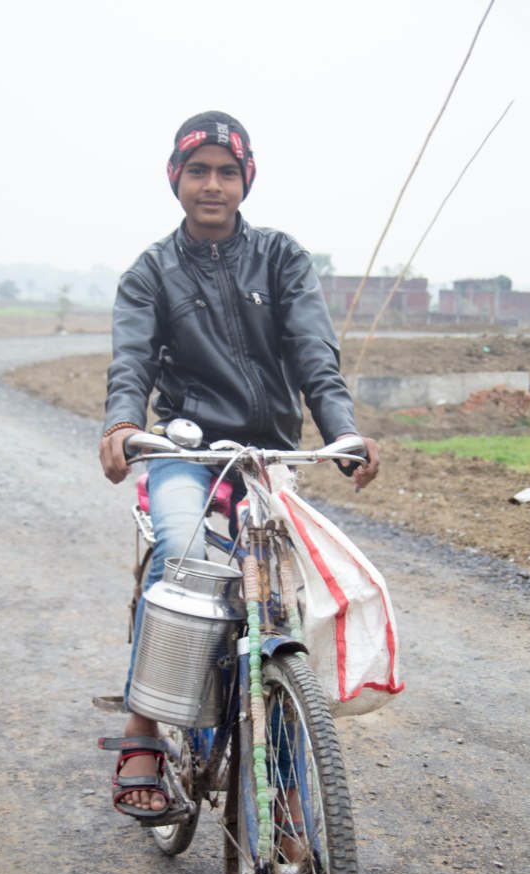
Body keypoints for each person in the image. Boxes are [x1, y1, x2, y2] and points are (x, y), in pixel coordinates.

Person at [99, 110, 379, 821]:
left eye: (228, 171)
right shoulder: (151, 272)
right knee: (180, 554)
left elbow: (316, 354)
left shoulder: (281, 258)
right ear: (176, 179)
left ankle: (285, 800)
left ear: (246, 179)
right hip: (186, 454)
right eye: (199, 171)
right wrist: (123, 424)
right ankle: (143, 734)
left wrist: (342, 432)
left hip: (265, 457)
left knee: (278, 613)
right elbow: (130, 361)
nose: (213, 185)